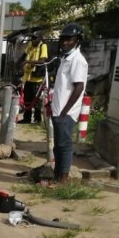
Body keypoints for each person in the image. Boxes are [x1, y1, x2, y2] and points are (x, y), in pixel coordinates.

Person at [51, 23, 88, 185]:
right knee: (57, 145)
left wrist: (65, 111)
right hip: (58, 109)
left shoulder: (78, 60)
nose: (65, 43)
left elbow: (79, 87)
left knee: (64, 145)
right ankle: (57, 175)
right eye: (63, 39)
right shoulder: (66, 59)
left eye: (69, 40)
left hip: (66, 112)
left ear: (77, 40)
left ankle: (63, 178)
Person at [19, 31, 49, 124]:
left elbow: (42, 61)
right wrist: (18, 63)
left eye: (35, 38)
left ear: (40, 38)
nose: (33, 40)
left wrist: (28, 62)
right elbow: (23, 55)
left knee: (36, 99)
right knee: (27, 98)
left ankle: (37, 119)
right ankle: (26, 118)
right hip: (28, 76)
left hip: (37, 78)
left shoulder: (43, 46)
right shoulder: (30, 44)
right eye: (32, 38)